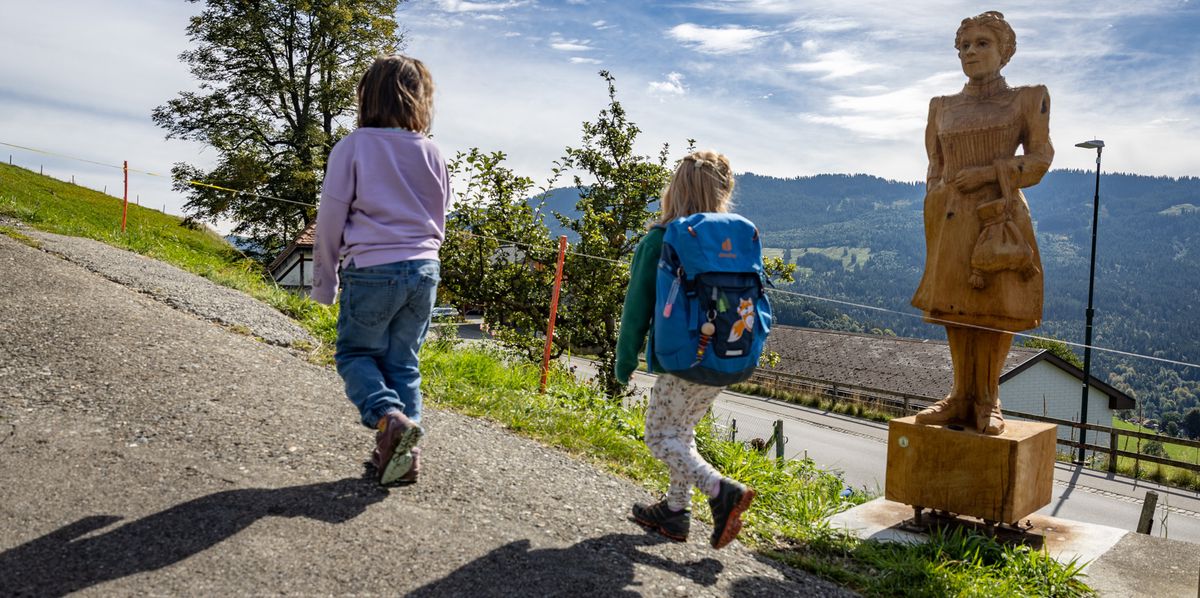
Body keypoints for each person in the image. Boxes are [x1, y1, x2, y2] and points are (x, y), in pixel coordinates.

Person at [911, 11, 1054, 435]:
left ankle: (989, 399)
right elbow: (935, 165)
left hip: (998, 217)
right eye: (964, 46)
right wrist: (936, 202)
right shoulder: (941, 106)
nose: (970, 52)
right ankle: (959, 395)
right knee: (955, 307)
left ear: (1004, 51)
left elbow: (1040, 159)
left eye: (981, 43)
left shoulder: (1027, 98)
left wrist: (989, 174)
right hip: (951, 219)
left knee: (995, 307)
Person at [311, 55, 451, 485]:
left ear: (367, 97)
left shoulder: (353, 147)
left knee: (355, 354)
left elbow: (330, 220)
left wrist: (325, 283)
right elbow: (440, 215)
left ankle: (389, 419)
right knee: (404, 364)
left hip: (372, 268)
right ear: (420, 99)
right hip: (425, 269)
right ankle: (402, 459)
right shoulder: (431, 151)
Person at [615, 150, 756, 549]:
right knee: (681, 433)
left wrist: (624, 359)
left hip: (680, 361)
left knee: (659, 437)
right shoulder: (728, 243)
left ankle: (720, 491)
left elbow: (636, 308)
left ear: (674, 190)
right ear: (722, 194)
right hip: (725, 354)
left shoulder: (660, 240)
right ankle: (675, 511)